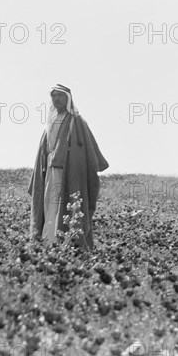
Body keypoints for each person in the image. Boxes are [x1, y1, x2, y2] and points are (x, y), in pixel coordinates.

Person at [28, 84, 109, 251]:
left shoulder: (76, 120)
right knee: (49, 204)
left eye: (60, 96)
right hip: (50, 171)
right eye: (54, 96)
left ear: (68, 98)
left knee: (66, 205)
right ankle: (47, 239)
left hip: (68, 172)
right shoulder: (50, 122)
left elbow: (85, 148)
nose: (57, 99)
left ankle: (64, 241)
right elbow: (44, 149)